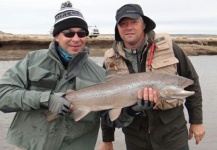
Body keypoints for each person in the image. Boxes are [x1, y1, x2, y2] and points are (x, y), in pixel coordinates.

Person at [0, 2, 158, 150]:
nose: (75, 39)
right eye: (68, 33)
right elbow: (3, 95)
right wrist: (45, 99)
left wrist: (132, 109)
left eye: (81, 33)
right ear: (56, 36)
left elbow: (111, 120)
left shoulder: (100, 74)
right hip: (29, 146)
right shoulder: (32, 61)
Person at [99, 3, 205, 150]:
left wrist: (196, 121)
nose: (129, 27)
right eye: (123, 24)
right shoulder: (109, 59)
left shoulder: (169, 46)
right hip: (135, 137)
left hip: (172, 134)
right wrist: (107, 139)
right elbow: (104, 100)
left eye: (134, 22)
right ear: (118, 28)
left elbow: (192, 81)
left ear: (143, 25)